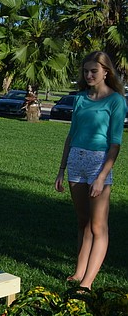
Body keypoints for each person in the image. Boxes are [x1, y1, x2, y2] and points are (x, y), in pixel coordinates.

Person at [54, 51, 126, 290]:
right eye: (86, 71)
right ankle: (78, 273)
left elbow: (115, 143)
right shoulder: (81, 98)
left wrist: (102, 177)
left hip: (98, 164)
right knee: (82, 221)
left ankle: (87, 283)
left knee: (98, 226)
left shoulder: (116, 101)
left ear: (106, 71)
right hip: (76, 161)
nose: (89, 75)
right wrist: (61, 170)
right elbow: (71, 135)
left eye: (94, 71)